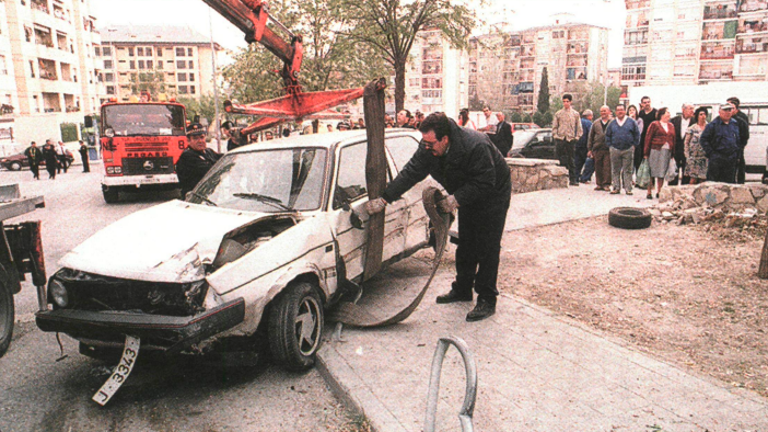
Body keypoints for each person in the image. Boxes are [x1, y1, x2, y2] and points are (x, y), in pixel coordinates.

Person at [365, 112, 511, 322]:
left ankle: (487, 298)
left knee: (487, 244)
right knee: (467, 240)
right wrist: (385, 199)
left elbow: (485, 182)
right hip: (466, 190)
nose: (426, 147)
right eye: (424, 142)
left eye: (431, 143)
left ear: (445, 139)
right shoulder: (428, 146)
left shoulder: (475, 145)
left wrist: (455, 199)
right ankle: (462, 289)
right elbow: (411, 172)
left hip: (493, 192)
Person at [176, 123, 222, 197]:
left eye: (202, 137)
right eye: (195, 138)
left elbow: (224, 159)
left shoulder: (208, 151)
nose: (200, 141)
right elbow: (210, 170)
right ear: (188, 140)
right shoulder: (187, 156)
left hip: (209, 195)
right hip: (195, 197)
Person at [701, 102, 741, 183]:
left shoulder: (734, 124)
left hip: (731, 159)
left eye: (729, 110)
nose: (727, 113)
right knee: (713, 184)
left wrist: (737, 154)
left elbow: (737, 139)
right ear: (720, 112)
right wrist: (711, 153)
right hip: (717, 158)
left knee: (729, 184)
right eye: (725, 110)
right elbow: (704, 140)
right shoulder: (713, 125)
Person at [606, 105, 640, 195]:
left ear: (625, 111)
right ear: (616, 112)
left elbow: (637, 134)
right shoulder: (612, 123)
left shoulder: (631, 122)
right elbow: (607, 135)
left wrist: (634, 145)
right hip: (615, 149)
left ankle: (628, 188)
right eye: (618, 110)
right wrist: (610, 146)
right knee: (615, 169)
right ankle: (616, 188)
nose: (620, 112)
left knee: (628, 170)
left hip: (628, 149)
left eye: (621, 110)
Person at [643, 107, 675, 199]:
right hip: (655, 150)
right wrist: (646, 152)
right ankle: (649, 191)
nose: (669, 114)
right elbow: (648, 138)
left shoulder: (671, 126)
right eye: (667, 112)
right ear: (662, 114)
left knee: (662, 171)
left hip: (667, 151)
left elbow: (674, 139)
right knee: (652, 170)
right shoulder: (654, 124)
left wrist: (673, 153)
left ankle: (659, 191)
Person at [552, 94, 583, 186]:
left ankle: (573, 179)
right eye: (564, 101)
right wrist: (556, 136)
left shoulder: (575, 114)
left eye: (567, 101)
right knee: (558, 159)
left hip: (570, 139)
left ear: (570, 102)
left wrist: (577, 137)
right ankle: (556, 179)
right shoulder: (558, 114)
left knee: (571, 160)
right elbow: (554, 126)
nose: (565, 103)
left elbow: (579, 127)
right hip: (560, 138)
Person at [587, 106, 612, 191]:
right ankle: (599, 184)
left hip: (608, 148)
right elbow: (591, 136)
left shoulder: (612, 122)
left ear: (609, 111)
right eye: (601, 111)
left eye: (605, 111)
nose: (603, 113)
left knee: (607, 167)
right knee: (598, 166)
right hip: (597, 148)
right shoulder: (596, 123)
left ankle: (606, 184)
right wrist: (589, 149)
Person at [669, 103, 695, 185]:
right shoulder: (674, 120)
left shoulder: (695, 121)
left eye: (693, 109)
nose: (692, 111)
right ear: (683, 110)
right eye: (690, 108)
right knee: (673, 173)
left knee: (686, 174)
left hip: (688, 152)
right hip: (676, 150)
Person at [727, 97, 750, 184]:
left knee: (739, 167)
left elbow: (745, 135)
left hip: (737, 148)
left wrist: (740, 146)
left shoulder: (742, 119)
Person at [684, 107, 709, 185]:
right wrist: (687, 155)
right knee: (693, 179)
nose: (703, 116)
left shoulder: (709, 127)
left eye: (704, 114)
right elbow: (686, 142)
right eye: (701, 114)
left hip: (705, 157)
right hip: (693, 157)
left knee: (703, 180)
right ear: (697, 116)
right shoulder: (692, 128)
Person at [635, 96, 657, 172]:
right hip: (642, 140)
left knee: (651, 162)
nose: (647, 104)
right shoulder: (640, 113)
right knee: (640, 161)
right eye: (645, 102)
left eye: (648, 102)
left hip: (652, 140)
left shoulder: (655, 113)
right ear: (642, 104)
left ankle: (651, 182)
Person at [575, 110, 593, 184]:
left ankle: (575, 177)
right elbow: (591, 135)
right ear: (589, 116)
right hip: (585, 146)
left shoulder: (578, 122)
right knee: (590, 162)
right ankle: (584, 178)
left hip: (577, 144)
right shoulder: (589, 123)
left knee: (577, 162)